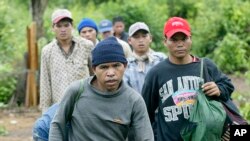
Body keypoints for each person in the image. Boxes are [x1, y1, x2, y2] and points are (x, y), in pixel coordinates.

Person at [142, 17, 235, 141]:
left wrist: (219, 89)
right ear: (165, 42)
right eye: (174, 40)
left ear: (190, 39)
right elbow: (145, 113)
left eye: (184, 39)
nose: (180, 44)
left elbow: (228, 85)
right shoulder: (156, 73)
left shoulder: (206, 65)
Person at [49, 37, 154, 141]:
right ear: (94, 69)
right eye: (104, 67)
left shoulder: (134, 100)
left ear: (125, 66)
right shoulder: (77, 91)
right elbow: (57, 125)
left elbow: (146, 137)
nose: (111, 73)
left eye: (116, 65)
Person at [36, 8, 94, 140]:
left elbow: (95, 75)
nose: (63, 29)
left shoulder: (86, 46)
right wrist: (46, 114)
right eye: (59, 26)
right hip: (59, 109)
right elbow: (45, 83)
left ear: (72, 26)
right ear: (53, 28)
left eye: (66, 25)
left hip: (85, 107)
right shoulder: (47, 51)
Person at [124, 22, 166, 94]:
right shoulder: (125, 65)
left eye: (144, 36)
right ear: (129, 41)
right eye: (136, 37)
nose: (141, 40)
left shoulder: (161, 59)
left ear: (150, 38)